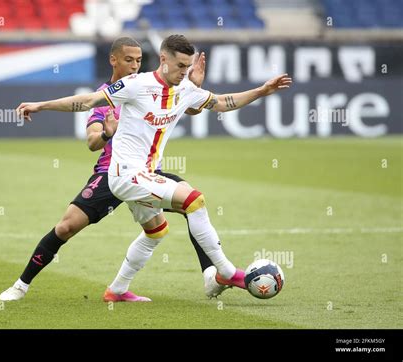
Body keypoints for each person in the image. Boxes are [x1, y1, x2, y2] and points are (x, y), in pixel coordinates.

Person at [16, 34, 292, 302]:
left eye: (188, 66)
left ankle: (118, 289)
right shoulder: (136, 85)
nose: (185, 72)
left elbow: (221, 102)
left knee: (156, 231)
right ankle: (227, 273)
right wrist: (41, 105)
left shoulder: (186, 89)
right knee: (194, 201)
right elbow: (88, 101)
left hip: (147, 174)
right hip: (124, 174)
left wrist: (262, 90)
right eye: (180, 65)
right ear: (163, 59)